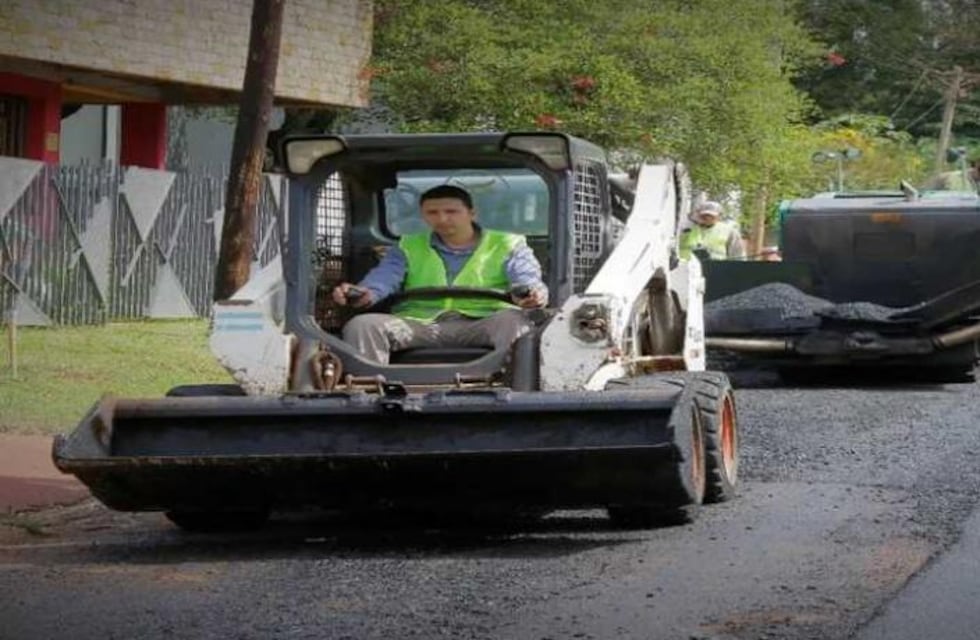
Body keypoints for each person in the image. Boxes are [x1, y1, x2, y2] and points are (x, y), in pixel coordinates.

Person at [332, 184, 548, 364]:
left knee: (516, 321)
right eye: (432, 213)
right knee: (362, 325)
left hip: (483, 321)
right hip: (420, 324)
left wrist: (530, 294)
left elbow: (526, 278)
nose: (442, 219)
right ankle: (367, 392)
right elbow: (384, 278)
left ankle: (515, 388)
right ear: (423, 215)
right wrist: (365, 293)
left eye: (451, 212)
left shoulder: (507, 243)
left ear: (472, 213)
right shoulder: (409, 245)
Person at [677, 201, 746, 261]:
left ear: (719, 216)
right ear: (698, 214)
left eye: (711, 216)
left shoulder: (729, 231)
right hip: (685, 270)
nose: (707, 218)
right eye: (704, 215)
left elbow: (737, 255)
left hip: (716, 270)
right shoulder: (684, 228)